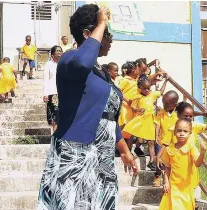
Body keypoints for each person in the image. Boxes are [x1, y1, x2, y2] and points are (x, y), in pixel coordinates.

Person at [37, 5, 137, 210]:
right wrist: (102, 22)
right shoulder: (69, 59)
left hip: (102, 155)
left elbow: (108, 115)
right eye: (107, 33)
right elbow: (83, 61)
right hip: (76, 150)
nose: (110, 39)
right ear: (87, 34)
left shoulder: (102, 72)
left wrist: (125, 150)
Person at [159, 118, 207, 210]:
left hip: (185, 187)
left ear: (190, 133)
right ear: (174, 132)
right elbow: (167, 168)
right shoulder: (169, 149)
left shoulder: (191, 148)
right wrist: (166, 182)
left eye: (185, 131)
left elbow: (197, 164)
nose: (182, 133)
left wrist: (202, 153)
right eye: (179, 131)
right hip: (173, 186)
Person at [122, 75, 167, 171]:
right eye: (144, 89)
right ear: (140, 88)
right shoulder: (137, 97)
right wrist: (138, 109)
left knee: (151, 142)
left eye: (148, 88)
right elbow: (133, 109)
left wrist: (166, 81)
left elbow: (161, 92)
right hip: (141, 120)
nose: (147, 90)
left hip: (150, 121)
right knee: (135, 137)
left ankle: (151, 162)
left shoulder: (152, 94)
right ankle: (129, 151)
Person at [153, 90, 180, 187]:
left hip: (173, 143)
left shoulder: (178, 114)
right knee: (159, 159)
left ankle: (169, 179)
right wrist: (156, 136)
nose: (164, 106)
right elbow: (158, 124)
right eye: (163, 103)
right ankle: (157, 176)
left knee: (170, 162)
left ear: (174, 104)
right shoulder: (161, 112)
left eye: (166, 104)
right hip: (161, 141)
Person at [43, 45, 62, 132]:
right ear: (52, 54)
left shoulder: (64, 64)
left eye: (60, 51)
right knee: (55, 115)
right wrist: (45, 94)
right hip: (53, 92)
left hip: (64, 93)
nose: (60, 52)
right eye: (57, 51)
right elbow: (46, 79)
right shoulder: (49, 64)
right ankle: (55, 136)